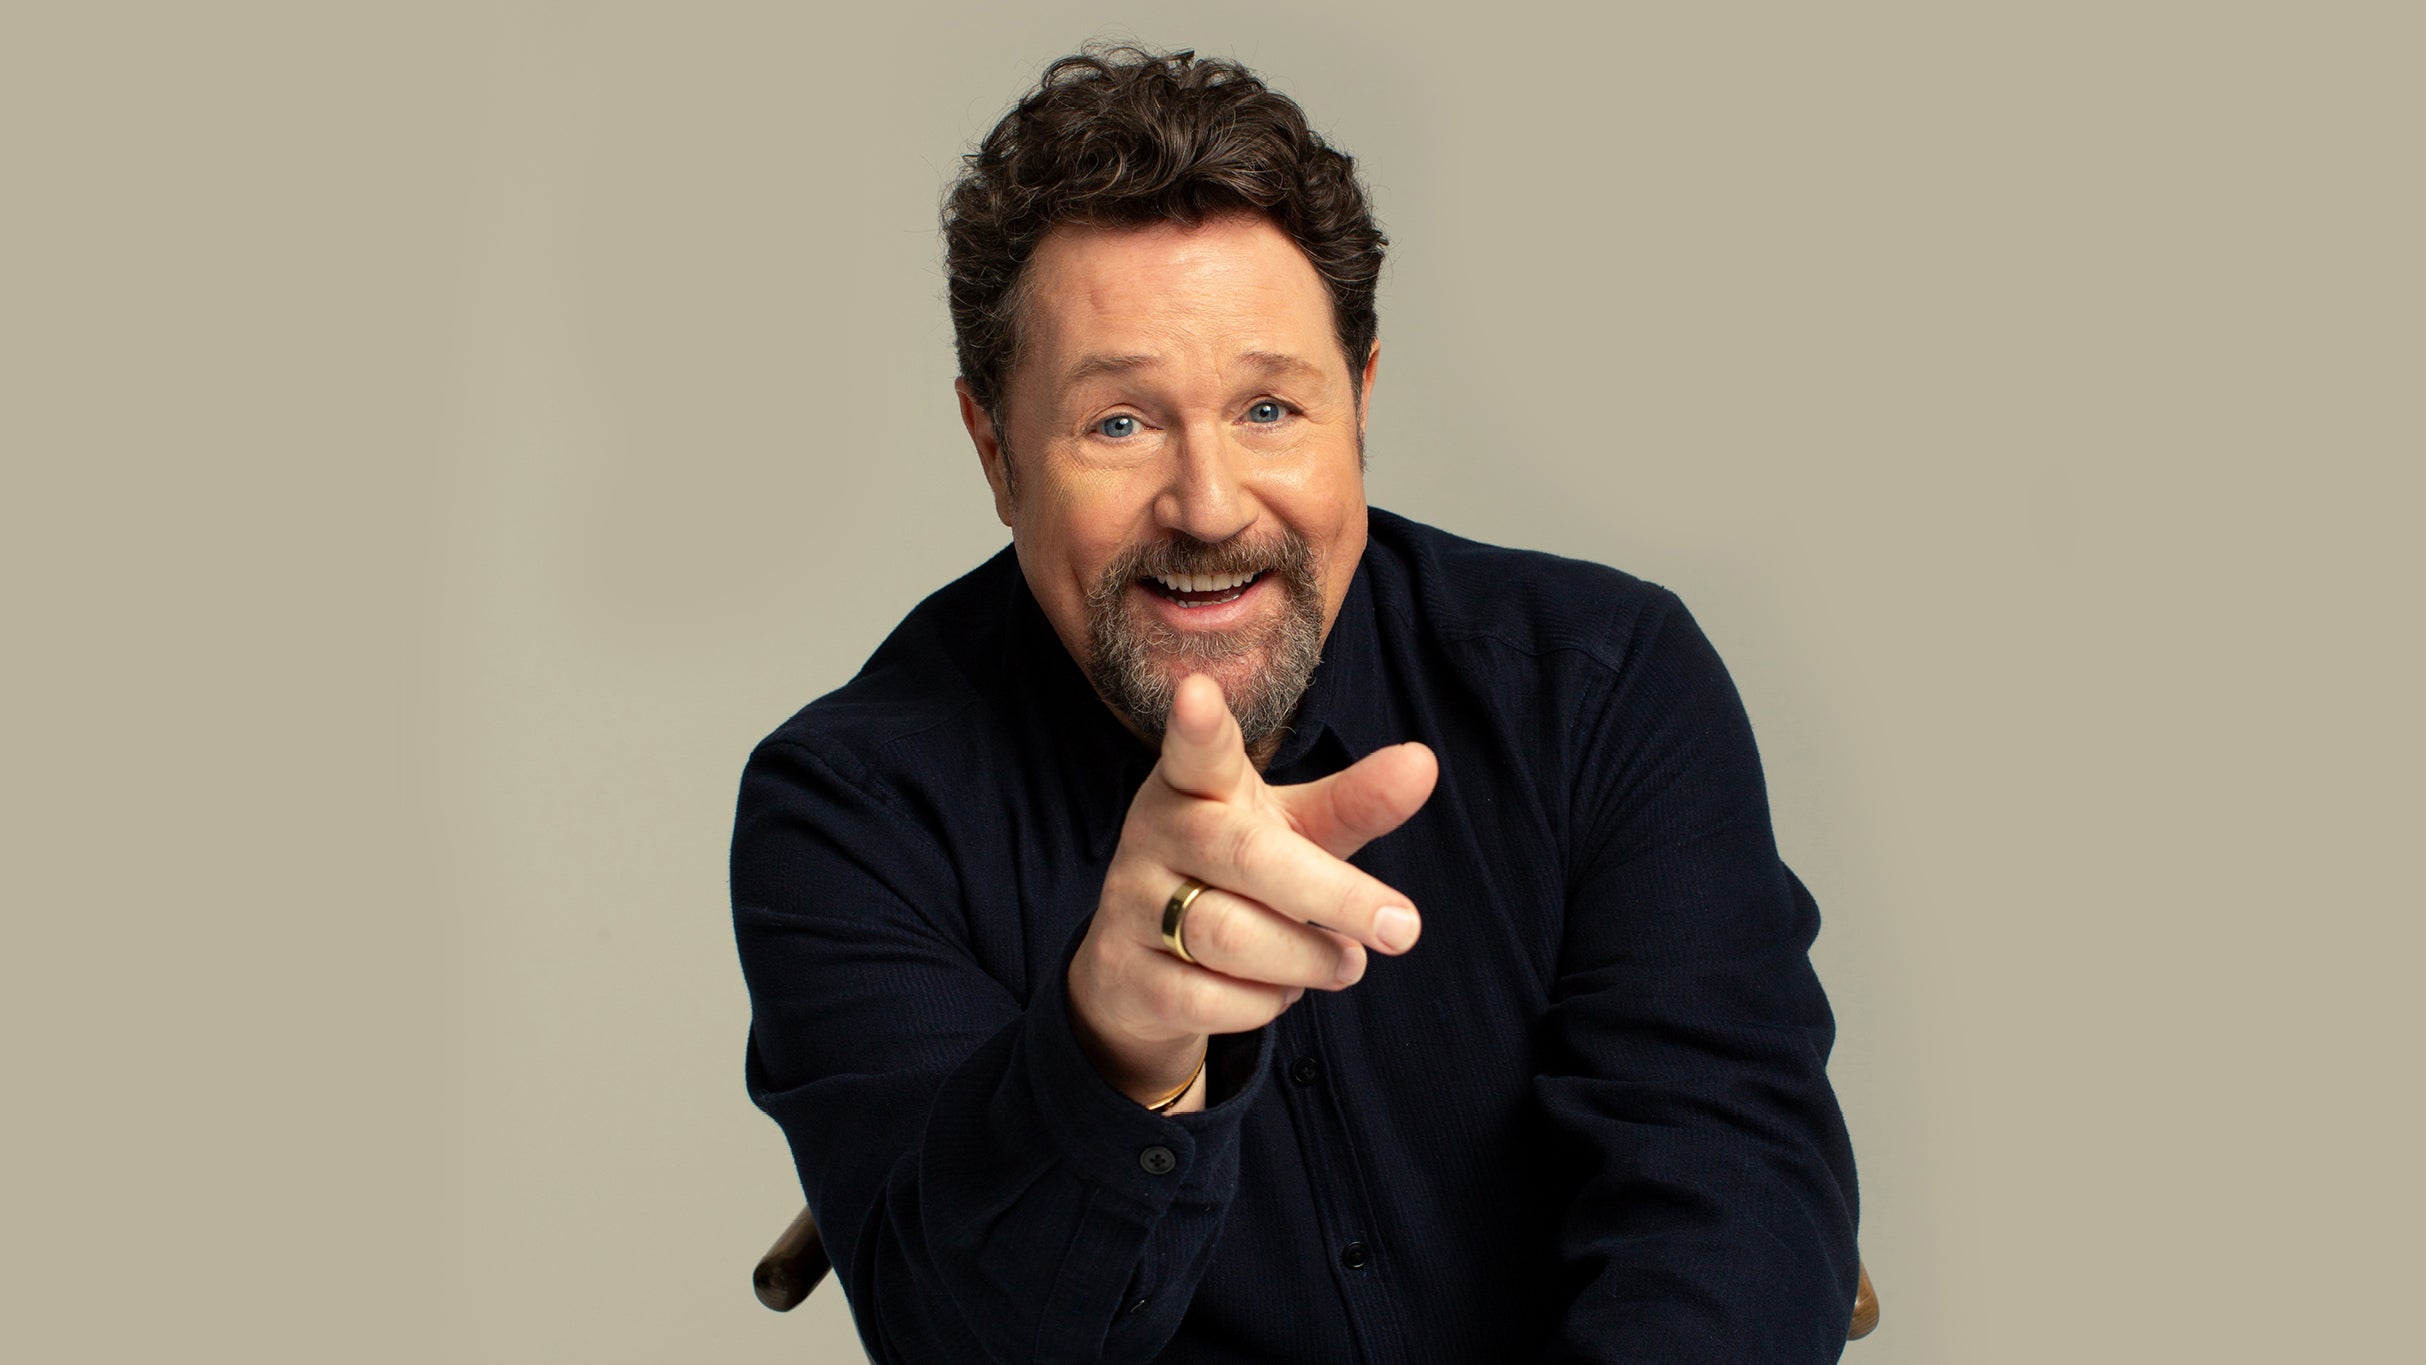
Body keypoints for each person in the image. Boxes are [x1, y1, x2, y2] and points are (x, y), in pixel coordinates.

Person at [731, 44, 1859, 1363]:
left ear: (1360, 403)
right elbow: (961, 1340)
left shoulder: (1600, 682)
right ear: (995, 450)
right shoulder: (852, 810)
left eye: (1268, 407)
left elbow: (1726, 1215)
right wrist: (1118, 1052)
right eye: (1118, 424)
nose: (1209, 507)